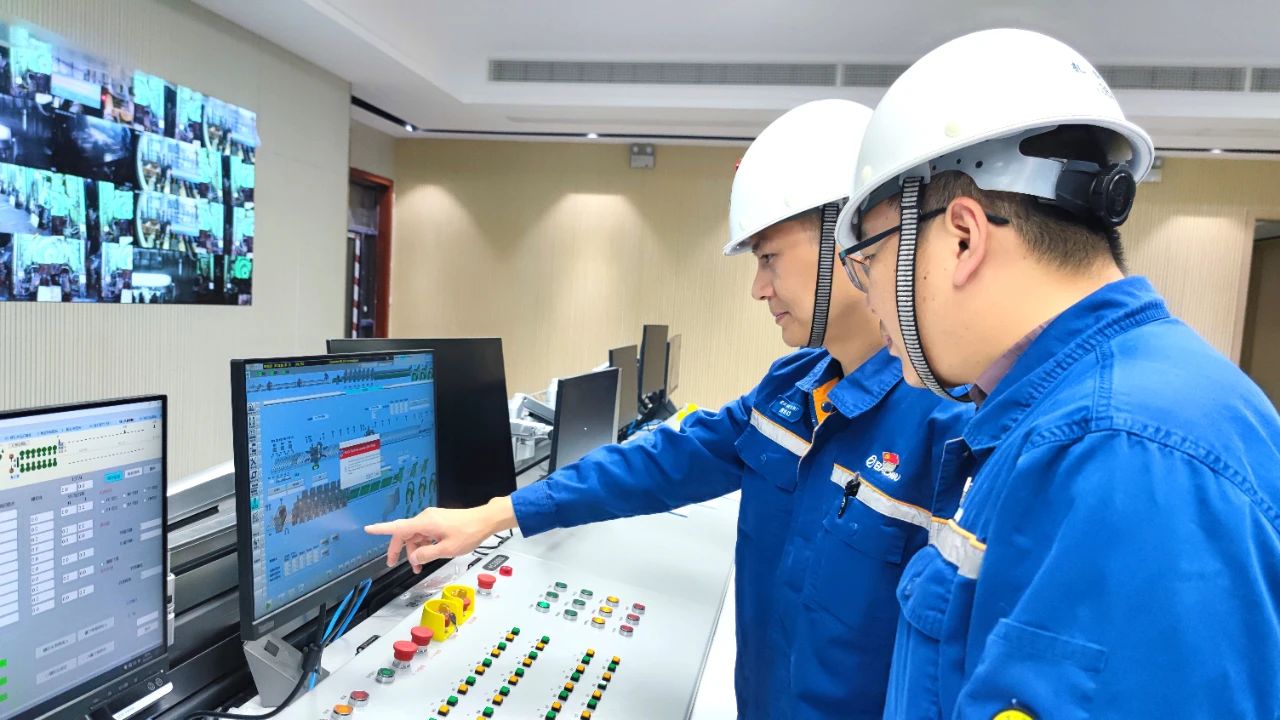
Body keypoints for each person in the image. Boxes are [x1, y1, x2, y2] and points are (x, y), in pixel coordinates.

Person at [366, 99, 971, 717]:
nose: (758, 288)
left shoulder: (949, 429)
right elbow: (664, 461)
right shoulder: (792, 388)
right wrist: (497, 514)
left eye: (768, 258)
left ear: (849, 240)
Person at [834, 28, 1280, 717]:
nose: (868, 297)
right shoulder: (1072, 421)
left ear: (963, 237)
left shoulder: (1124, 453)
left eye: (869, 259)